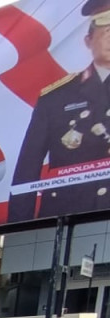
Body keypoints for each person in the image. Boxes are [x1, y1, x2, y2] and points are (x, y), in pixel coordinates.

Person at [8, 1, 110, 224]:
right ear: (88, 40)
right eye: (107, 30)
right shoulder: (55, 98)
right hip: (67, 218)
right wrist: (21, 230)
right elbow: (27, 171)